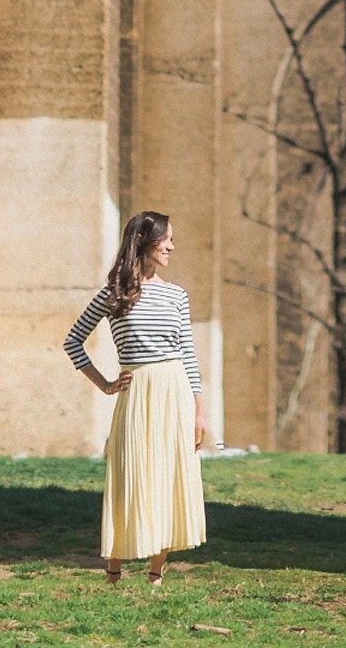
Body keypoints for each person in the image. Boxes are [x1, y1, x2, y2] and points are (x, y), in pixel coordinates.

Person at [64, 209, 207, 585]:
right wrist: (105, 384)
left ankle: (156, 573)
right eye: (166, 240)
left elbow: (187, 353)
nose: (172, 247)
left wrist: (198, 410)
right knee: (129, 476)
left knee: (170, 476)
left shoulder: (177, 295)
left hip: (174, 391)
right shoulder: (115, 294)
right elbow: (73, 341)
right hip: (136, 392)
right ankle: (114, 572)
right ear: (144, 243)